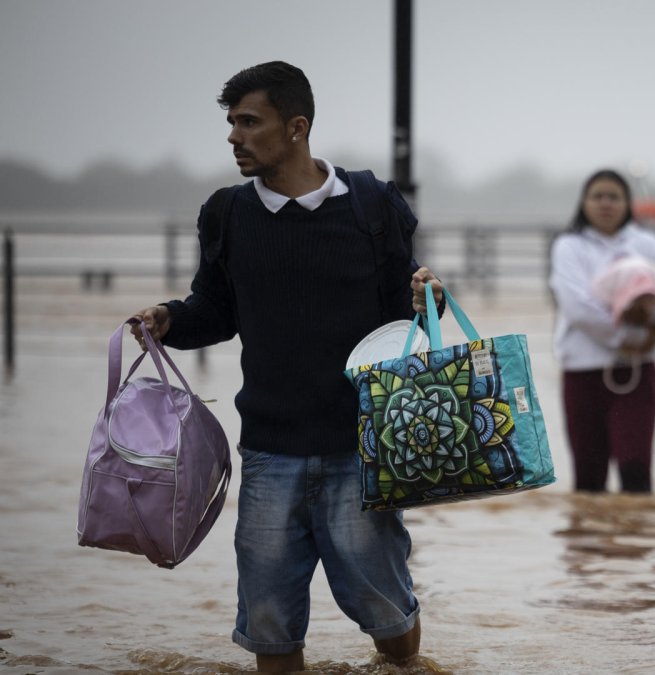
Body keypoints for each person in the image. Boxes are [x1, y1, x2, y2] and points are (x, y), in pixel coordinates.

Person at [129, 61, 439, 673]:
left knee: (387, 615)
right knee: (269, 626)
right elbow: (215, 310)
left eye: (249, 122)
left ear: (296, 127)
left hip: (362, 448)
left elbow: (403, 321)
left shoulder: (371, 204)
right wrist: (169, 319)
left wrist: (426, 298)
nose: (234, 136)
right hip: (269, 452)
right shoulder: (226, 213)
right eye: (231, 123)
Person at [549, 169, 655, 493]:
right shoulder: (568, 246)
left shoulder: (647, 244)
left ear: (627, 203)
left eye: (614, 197)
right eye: (598, 196)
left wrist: (653, 315)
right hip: (582, 373)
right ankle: (592, 530)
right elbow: (578, 308)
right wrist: (630, 337)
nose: (606, 203)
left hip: (636, 373)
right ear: (584, 203)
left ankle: (636, 528)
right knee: (588, 478)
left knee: (636, 470)